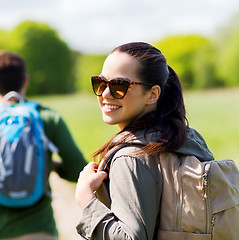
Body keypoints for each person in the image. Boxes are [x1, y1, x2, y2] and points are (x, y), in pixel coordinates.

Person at [75, 42, 214, 239]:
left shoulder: (130, 158)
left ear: (153, 94)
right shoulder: (189, 140)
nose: (105, 94)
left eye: (119, 86)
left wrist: (86, 200)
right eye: (100, 83)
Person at [0, 51, 87, 240]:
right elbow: (78, 170)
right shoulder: (47, 118)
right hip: (41, 230)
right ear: (26, 80)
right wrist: (51, 166)